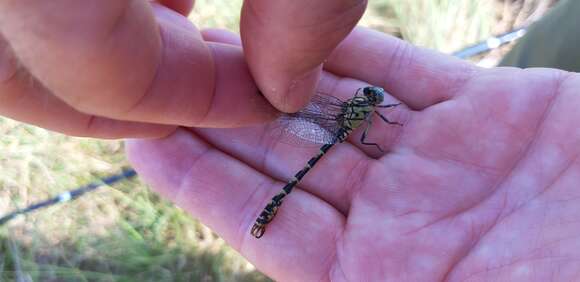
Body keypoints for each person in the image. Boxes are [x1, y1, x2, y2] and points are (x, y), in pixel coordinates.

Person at [2, 1, 580, 281]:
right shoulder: (362, 116)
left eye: (371, 104)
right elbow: (375, 137)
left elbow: (373, 136)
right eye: (371, 103)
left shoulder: (348, 113)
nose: (373, 105)